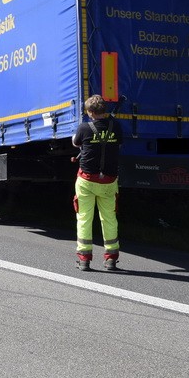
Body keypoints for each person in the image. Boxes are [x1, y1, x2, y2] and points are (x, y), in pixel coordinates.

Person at [71, 94, 122, 271]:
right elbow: (119, 144)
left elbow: (76, 143)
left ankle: (84, 259)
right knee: (109, 218)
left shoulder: (84, 128)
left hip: (86, 180)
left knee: (84, 218)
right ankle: (111, 259)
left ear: (90, 112)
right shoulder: (115, 126)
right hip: (108, 181)